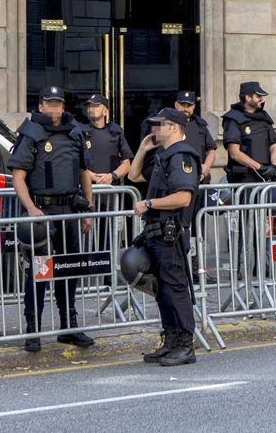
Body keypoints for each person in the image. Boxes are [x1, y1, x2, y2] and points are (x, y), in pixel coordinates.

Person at [8, 86, 96, 352]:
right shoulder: (32, 133)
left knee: (70, 270)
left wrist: (88, 208)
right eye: (50, 104)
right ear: (41, 105)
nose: (55, 109)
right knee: (40, 272)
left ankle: (69, 327)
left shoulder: (74, 131)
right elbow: (18, 178)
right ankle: (33, 330)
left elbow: (84, 173)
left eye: (59, 104)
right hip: (43, 214)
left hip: (69, 210)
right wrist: (31, 208)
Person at [132, 108, 200, 366]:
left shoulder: (182, 156)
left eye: (158, 125)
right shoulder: (165, 156)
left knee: (176, 290)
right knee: (163, 292)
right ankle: (171, 342)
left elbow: (183, 197)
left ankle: (185, 346)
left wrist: (148, 204)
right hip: (158, 234)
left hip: (170, 235)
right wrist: (143, 149)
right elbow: (135, 176)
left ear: (174, 127)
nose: (153, 130)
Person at [221, 82, 276, 183]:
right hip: (245, 177)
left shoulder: (264, 118)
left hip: (266, 175)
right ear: (248, 97)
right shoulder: (233, 119)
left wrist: (273, 166)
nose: (262, 99)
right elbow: (234, 153)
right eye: (258, 96)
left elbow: (273, 146)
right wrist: (260, 168)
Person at [81, 94, 133, 186]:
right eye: (89, 106)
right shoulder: (80, 133)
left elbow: (126, 163)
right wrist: (93, 176)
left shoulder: (115, 133)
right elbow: (74, 162)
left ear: (105, 111)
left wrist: (112, 176)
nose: (90, 109)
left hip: (110, 189)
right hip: (87, 187)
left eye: (95, 106)